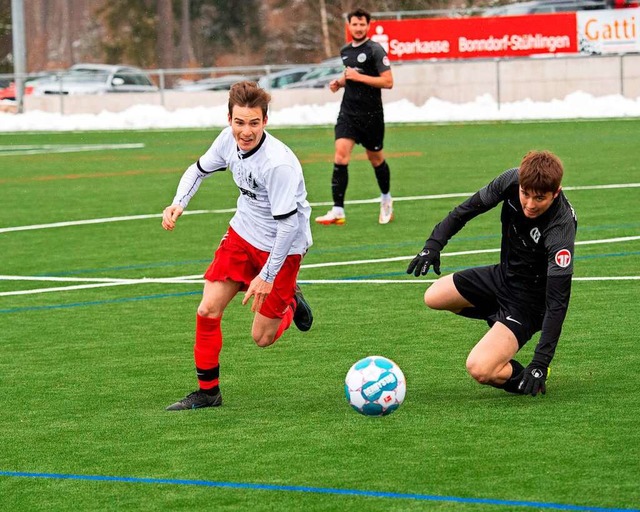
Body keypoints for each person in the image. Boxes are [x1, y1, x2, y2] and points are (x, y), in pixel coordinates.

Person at [162, 81, 314, 410]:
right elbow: (198, 170)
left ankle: (289, 303)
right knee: (207, 309)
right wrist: (178, 203)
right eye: (239, 122)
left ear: (266, 122)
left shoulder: (278, 164)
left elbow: (288, 226)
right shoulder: (227, 140)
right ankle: (208, 392)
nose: (246, 132)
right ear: (229, 118)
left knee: (262, 338)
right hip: (242, 234)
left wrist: (269, 276)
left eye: (254, 123)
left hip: (282, 247)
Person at [407, 150, 577, 397]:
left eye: (539, 198)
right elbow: (466, 210)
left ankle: (523, 376)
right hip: (502, 277)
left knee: (480, 368)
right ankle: (500, 321)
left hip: (529, 303)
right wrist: (433, 245)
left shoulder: (560, 228)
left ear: (556, 192)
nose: (529, 204)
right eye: (525, 194)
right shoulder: (511, 180)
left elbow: (558, 302)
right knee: (434, 296)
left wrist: (541, 363)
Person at [315, 7, 395, 226]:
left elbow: (388, 82)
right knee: (341, 156)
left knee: (375, 159)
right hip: (348, 113)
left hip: (371, 116)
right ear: (348, 26)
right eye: (354, 24)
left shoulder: (375, 50)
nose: (358, 28)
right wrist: (340, 82)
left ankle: (386, 200)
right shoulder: (345, 50)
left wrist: (358, 78)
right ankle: (338, 210)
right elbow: (350, 73)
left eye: (362, 24)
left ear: (368, 26)